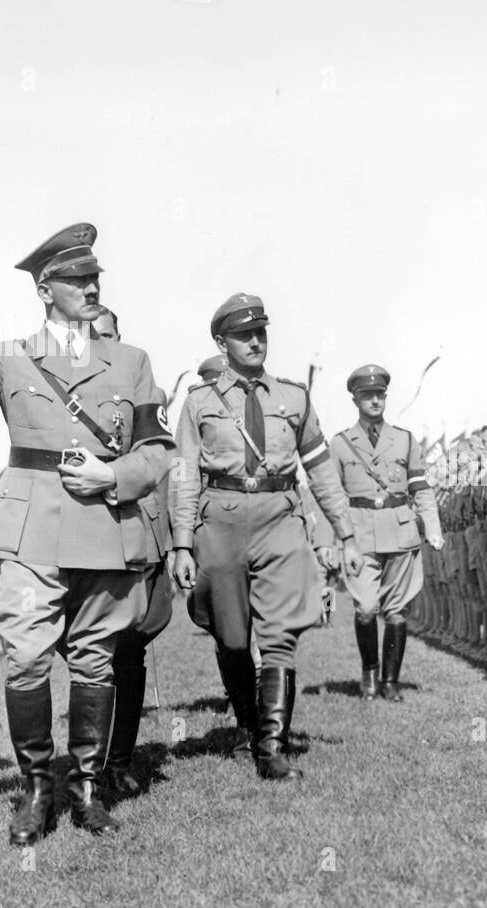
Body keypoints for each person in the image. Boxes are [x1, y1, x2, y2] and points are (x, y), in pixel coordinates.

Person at [0, 227, 173, 846]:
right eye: (77, 279)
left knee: (95, 660)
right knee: (28, 658)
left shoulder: (132, 361)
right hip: (31, 537)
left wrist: (114, 473)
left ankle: (84, 790)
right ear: (43, 289)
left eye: (95, 278)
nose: (90, 286)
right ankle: (36, 789)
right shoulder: (10, 358)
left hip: (107, 532)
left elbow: (159, 450)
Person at [171, 292, 362, 780]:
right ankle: (248, 722)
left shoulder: (293, 397)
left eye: (261, 333)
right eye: (243, 335)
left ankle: (270, 748)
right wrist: (181, 543)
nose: (255, 342)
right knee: (232, 639)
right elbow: (185, 476)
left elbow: (320, 471)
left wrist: (346, 534)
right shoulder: (199, 404)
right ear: (221, 341)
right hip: (222, 520)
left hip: (281, 517)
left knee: (279, 637)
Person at [90, 308, 175, 794]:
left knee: (131, 648)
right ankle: (92, 760)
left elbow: (160, 463)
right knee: (93, 651)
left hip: (138, 534)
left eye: (109, 336)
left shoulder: (146, 393)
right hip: (85, 538)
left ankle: (119, 762)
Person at [330, 364, 442, 701]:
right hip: (359, 531)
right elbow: (329, 496)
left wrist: (432, 527)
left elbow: (421, 488)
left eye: (380, 394)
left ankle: (390, 682)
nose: (375, 400)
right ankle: (369, 673)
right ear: (355, 399)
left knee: (396, 610)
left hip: (400, 529)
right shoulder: (339, 443)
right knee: (365, 607)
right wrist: (327, 541)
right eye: (367, 395)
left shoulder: (405, 440)